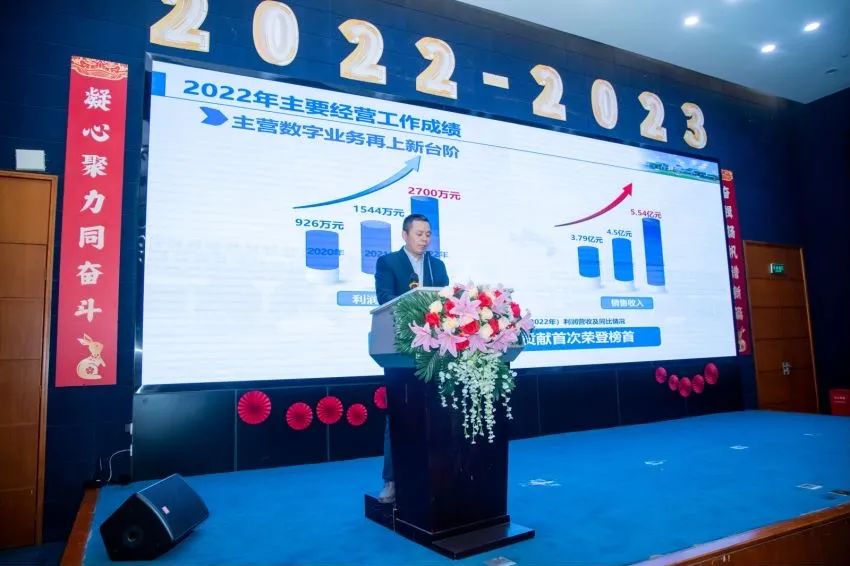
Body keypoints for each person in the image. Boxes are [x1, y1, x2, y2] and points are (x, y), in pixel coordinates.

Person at [374, 214, 450, 503]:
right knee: (399, 416)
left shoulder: (437, 265)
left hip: (436, 351)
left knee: (438, 415)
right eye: (419, 233)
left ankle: (439, 476)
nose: (425, 239)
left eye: (428, 234)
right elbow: (385, 298)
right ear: (405, 235)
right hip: (401, 351)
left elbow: (447, 303)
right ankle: (392, 480)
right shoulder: (388, 263)